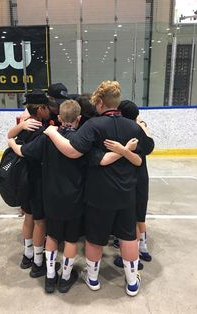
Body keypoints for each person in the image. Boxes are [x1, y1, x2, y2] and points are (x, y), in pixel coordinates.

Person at [44, 81, 154, 297]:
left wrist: (51, 132)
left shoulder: (93, 126)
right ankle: (132, 283)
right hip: (126, 193)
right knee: (128, 237)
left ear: (101, 103)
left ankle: (92, 278)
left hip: (98, 194)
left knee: (94, 238)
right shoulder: (132, 127)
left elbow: (73, 150)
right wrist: (133, 139)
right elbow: (148, 148)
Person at [8, 100, 86, 294]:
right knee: (70, 240)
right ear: (79, 119)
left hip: (50, 196)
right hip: (74, 198)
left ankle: (50, 277)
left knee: (51, 235)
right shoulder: (83, 140)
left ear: (58, 118)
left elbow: (23, 151)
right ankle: (66, 278)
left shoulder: (47, 137)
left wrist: (11, 140)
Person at [8, 90, 52, 278]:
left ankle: (27, 256)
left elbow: (10, 136)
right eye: (47, 107)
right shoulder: (41, 131)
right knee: (40, 223)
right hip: (37, 182)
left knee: (28, 218)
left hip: (23, 181)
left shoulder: (25, 126)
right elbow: (26, 152)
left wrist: (12, 139)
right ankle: (38, 263)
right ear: (41, 109)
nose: (50, 110)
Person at [105, 100, 153, 263]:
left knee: (131, 218)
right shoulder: (140, 131)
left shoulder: (123, 132)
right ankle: (143, 249)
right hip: (142, 178)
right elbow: (149, 146)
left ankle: (135, 256)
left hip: (128, 178)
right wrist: (143, 127)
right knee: (140, 216)